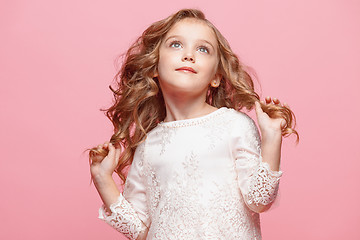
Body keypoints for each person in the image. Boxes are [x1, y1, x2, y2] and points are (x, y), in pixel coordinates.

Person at [89, 8, 298, 240]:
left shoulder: (234, 126)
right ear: (154, 67)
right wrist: (102, 179)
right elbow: (140, 230)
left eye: (203, 49)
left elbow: (260, 201)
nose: (189, 55)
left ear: (216, 77)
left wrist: (271, 139)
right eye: (176, 45)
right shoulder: (149, 145)